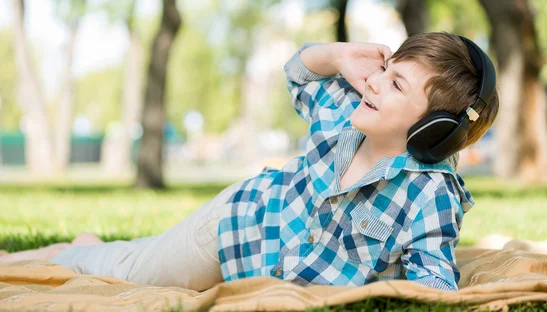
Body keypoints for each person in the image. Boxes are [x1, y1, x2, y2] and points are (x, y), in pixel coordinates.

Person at [0, 32, 499, 292]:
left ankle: (93, 246)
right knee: (127, 272)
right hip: (232, 230)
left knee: (136, 257)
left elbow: (433, 275)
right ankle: (61, 253)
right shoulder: (345, 113)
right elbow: (297, 75)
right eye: (386, 71)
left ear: (436, 129)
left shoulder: (429, 194)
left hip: (264, 274)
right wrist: (338, 55)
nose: (374, 82)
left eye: (396, 85)